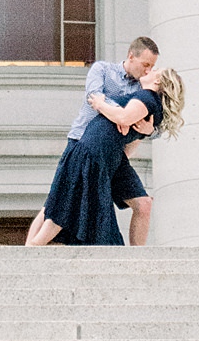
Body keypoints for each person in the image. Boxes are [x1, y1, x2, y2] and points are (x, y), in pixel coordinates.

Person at [25, 44, 185, 247]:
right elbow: (94, 96)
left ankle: (138, 255)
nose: (148, 70)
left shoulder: (143, 91)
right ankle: (30, 248)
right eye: (146, 65)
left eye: (152, 67)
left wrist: (147, 130)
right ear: (131, 56)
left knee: (143, 204)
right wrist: (121, 115)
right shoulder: (103, 70)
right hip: (83, 142)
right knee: (59, 200)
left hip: (113, 153)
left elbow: (153, 124)